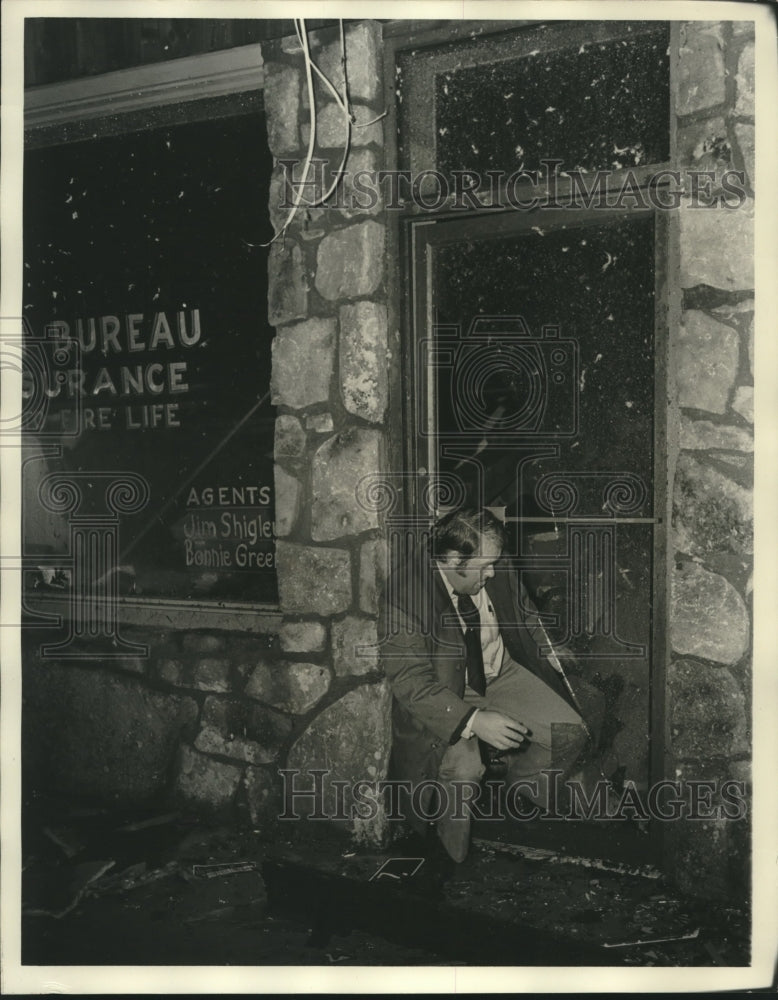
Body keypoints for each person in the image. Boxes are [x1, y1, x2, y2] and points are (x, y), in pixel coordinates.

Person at [380, 506, 592, 865]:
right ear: (451, 560)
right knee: (465, 771)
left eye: (494, 563)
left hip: (498, 671)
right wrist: (474, 722)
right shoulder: (405, 596)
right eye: (484, 567)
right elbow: (411, 683)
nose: (493, 572)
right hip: (448, 692)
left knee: (570, 733)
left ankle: (519, 796)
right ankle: (449, 860)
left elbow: (524, 611)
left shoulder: (494, 560)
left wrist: (548, 649)